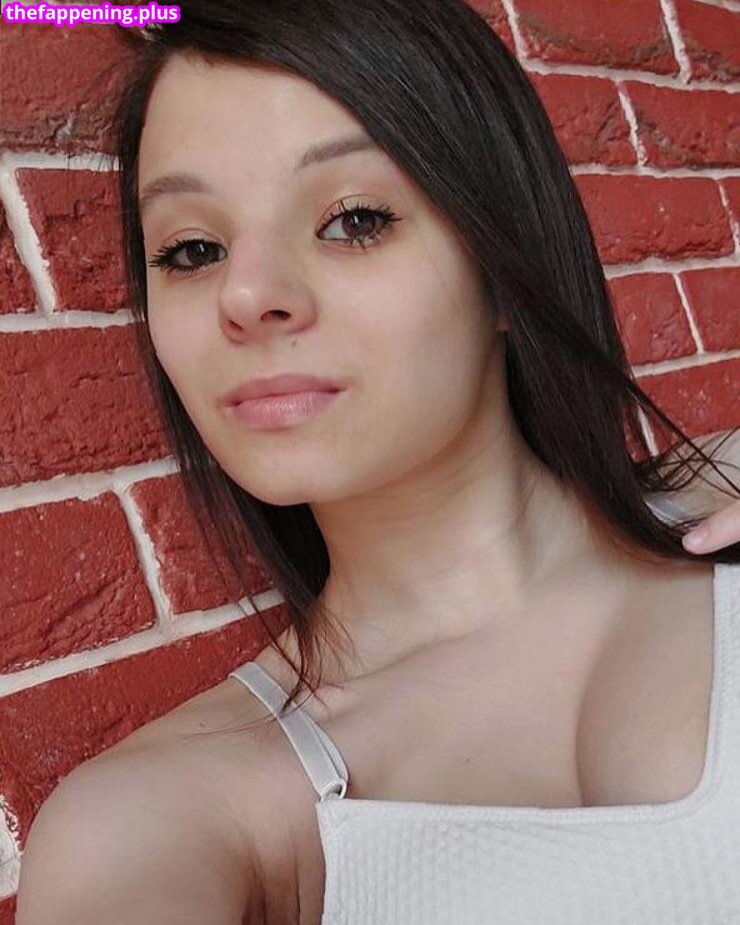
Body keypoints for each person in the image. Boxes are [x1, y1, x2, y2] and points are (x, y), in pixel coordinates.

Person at [16, 1, 740, 922]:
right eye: (192, 249)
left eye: (353, 220)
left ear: (505, 264)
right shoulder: (159, 816)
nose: (247, 294)